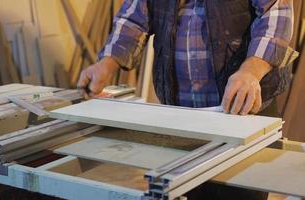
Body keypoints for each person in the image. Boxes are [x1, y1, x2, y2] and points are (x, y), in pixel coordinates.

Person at [78, 0, 295, 199]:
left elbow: (276, 11)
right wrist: (105, 65)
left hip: (243, 113)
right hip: (184, 120)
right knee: (192, 191)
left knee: (240, 193)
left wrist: (251, 70)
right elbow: (133, 19)